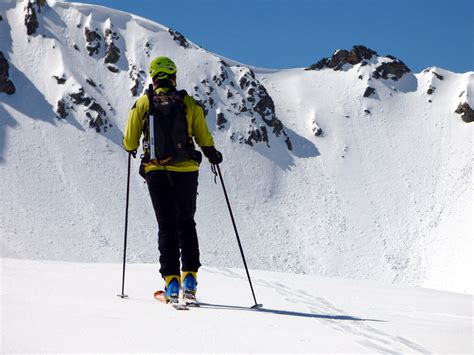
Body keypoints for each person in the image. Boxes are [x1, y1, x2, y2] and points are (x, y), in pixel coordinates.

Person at [122, 56, 223, 302]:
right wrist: (212, 154)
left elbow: (129, 141)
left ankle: (171, 284)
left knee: (166, 226)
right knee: (186, 223)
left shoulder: (144, 103)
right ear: (174, 76)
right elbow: (203, 136)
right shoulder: (187, 102)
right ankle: (190, 279)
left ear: (154, 78)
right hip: (187, 170)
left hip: (156, 171)